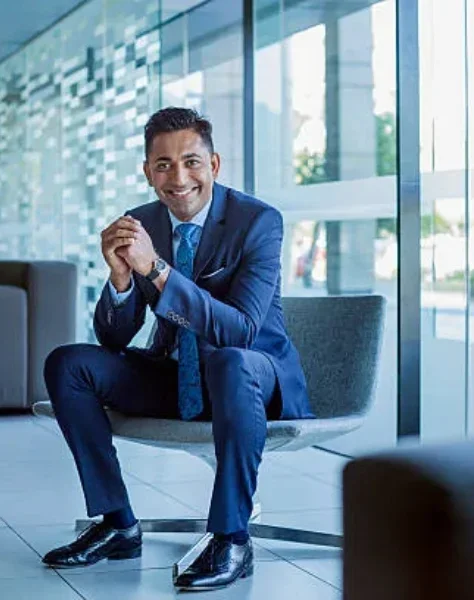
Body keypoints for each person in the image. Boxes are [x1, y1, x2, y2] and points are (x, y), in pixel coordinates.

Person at [41, 107, 314, 591]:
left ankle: (231, 537)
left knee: (230, 362)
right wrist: (121, 279)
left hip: (251, 380)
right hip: (175, 378)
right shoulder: (142, 223)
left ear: (214, 165)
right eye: (163, 165)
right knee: (69, 364)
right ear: (148, 172)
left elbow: (241, 331)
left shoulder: (257, 222)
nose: (178, 177)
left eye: (191, 161)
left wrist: (157, 272)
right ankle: (117, 523)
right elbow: (113, 338)